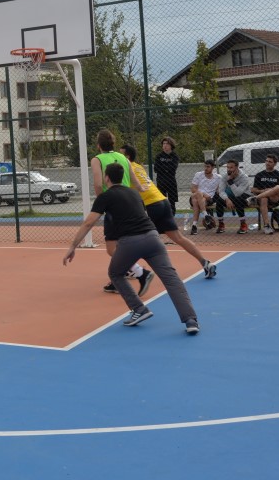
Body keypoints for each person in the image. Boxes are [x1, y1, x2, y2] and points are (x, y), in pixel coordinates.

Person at [63, 162, 199, 335]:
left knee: (115, 273)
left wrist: (72, 246)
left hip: (130, 242)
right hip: (153, 238)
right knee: (171, 279)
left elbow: (89, 222)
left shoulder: (105, 197)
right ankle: (190, 320)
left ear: (106, 178)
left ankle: (139, 309)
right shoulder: (135, 193)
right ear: (123, 177)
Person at [122, 144, 217, 279]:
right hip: (162, 201)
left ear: (127, 157)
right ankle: (205, 263)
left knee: (131, 238)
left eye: (120, 154)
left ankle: (132, 270)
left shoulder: (126, 168)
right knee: (178, 238)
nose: (117, 157)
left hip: (151, 206)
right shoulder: (138, 167)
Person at [90, 130, 146, 294]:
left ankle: (140, 272)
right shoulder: (123, 158)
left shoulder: (97, 160)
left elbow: (99, 184)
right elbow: (135, 181)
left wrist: (102, 202)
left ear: (98, 145)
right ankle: (119, 277)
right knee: (122, 244)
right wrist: (143, 190)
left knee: (112, 248)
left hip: (114, 206)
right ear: (113, 143)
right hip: (130, 203)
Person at [250, 154, 279, 235]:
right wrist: (264, 191)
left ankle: (255, 198)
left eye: (270, 162)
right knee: (264, 199)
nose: (267, 163)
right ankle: (267, 226)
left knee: (277, 187)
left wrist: (271, 190)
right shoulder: (259, 175)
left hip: (275, 198)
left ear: (275, 164)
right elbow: (254, 189)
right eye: (266, 161)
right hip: (263, 199)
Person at [215, 160, 252, 234]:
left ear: (237, 167)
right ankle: (221, 224)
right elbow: (221, 191)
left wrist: (230, 182)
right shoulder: (225, 176)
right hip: (231, 196)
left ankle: (243, 225)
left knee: (238, 200)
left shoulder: (244, 177)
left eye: (231, 167)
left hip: (244, 195)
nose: (229, 169)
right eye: (228, 167)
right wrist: (227, 199)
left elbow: (238, 193)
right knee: (219, 200)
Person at [188, 160, 222, 235]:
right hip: (198, 196)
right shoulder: (198, 175)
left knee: (195, 201)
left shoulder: (218, 177)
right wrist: (203, 194)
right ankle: (205, 215)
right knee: (198, 195)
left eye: (208, 167)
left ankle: (194, 226)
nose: (205, 168)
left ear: (213, 167)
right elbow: (193, 189)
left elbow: (219, 190)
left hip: (208, 199)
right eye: (205, 166)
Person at [153, 136, 181, 214]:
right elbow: (156, 169)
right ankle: (164, 215)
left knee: (172, 201)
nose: (165, 145)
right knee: (161, 200)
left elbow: (173, 168)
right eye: (164, 144)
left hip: (171, 181)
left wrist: (163, 168)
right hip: (161, 181)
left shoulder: (174, 156)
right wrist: (166, 168)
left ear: (171, 145)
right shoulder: (159, 156)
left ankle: (172, 215)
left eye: (167, 144)